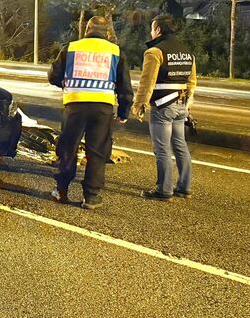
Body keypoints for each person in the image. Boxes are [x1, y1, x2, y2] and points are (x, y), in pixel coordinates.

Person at [48, 16, 133, 209]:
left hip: (75, 105)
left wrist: (63, 83)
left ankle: (61, 190)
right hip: (102, 108)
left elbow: (54, 75)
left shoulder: (71, 48)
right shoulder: (116, 51)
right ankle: (91, 196)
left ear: (87, 30)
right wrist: (124, 111)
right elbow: (124, 85)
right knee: (97, 151)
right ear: (107, 33)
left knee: (68, 148)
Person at [132, 14, 197, 200]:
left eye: (152, 29)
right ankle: (184, 187)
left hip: (162, 106)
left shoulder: (154, 52)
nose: (151, 33)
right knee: (180, 145)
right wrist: (188, 103)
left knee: (162, 148)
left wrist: (139, 105)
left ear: (158, 30)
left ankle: (164, 190)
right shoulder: (187, 52)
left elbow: (147, 82)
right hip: (181, 105)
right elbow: (192, 81)